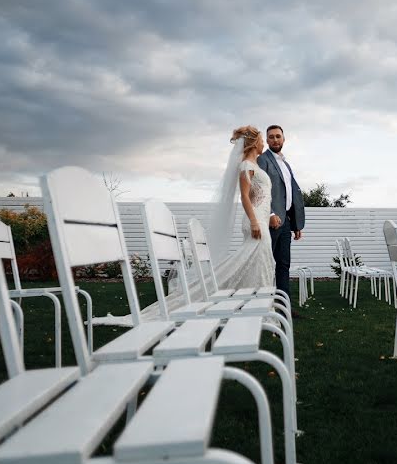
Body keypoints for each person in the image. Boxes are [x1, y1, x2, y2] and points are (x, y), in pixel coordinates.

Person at [93, 125, 275, 326]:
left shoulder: (253, 166)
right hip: (256, 221)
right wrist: (255, 221)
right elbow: (245, 197)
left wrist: (268, 217)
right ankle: (258, 309)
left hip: (262, 219)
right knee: (256, 263)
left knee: (258, 263)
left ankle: (257, 307)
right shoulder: (247, 166)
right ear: (253, 142)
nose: (263, 143)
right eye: (261, 139)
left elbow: (257, 196)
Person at [257, 124, 305, 300]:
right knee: (265, 265)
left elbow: (289, 194)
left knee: (284, 265)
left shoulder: (286, 164)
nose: (275, 139)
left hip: (285, 224)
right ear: (267, 140)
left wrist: (295, 224)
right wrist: (269, 214)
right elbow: (257, 190)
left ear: (284, 139)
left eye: (278, 136)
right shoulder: (262, 160)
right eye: (271, 137)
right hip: (270, 221)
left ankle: (284, 307)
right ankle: (262, 304)